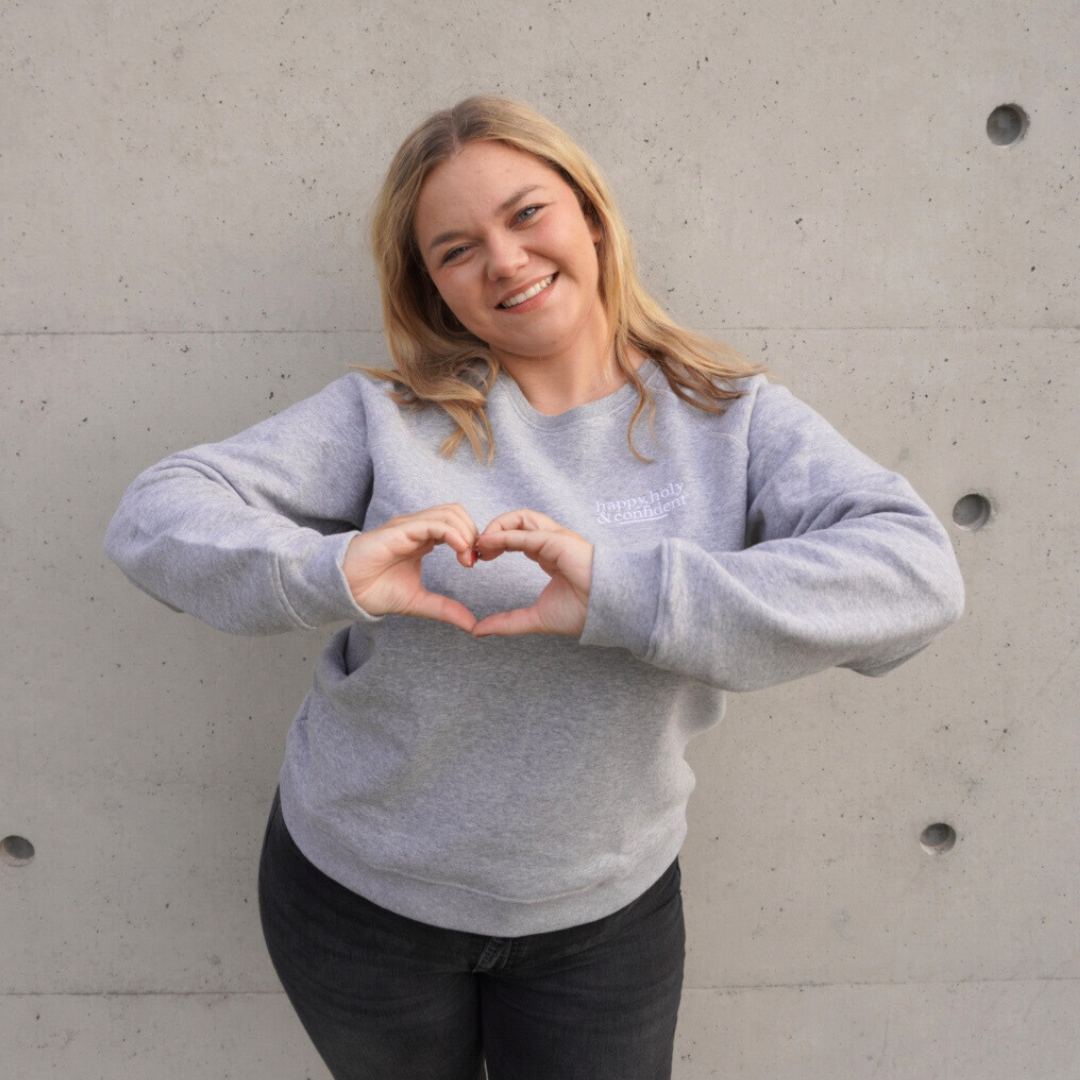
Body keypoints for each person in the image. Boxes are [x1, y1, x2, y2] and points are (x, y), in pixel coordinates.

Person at [104, 95, 966, 1080]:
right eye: (456, 249)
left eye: (526, 215)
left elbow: (916, 576)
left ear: (591, 216)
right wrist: (333, 570)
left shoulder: (732, 421)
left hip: (600, 924)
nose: (504, 261)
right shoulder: (390, 418)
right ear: (431, 288)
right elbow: (155, 513)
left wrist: (623, 594)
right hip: (358, 900)